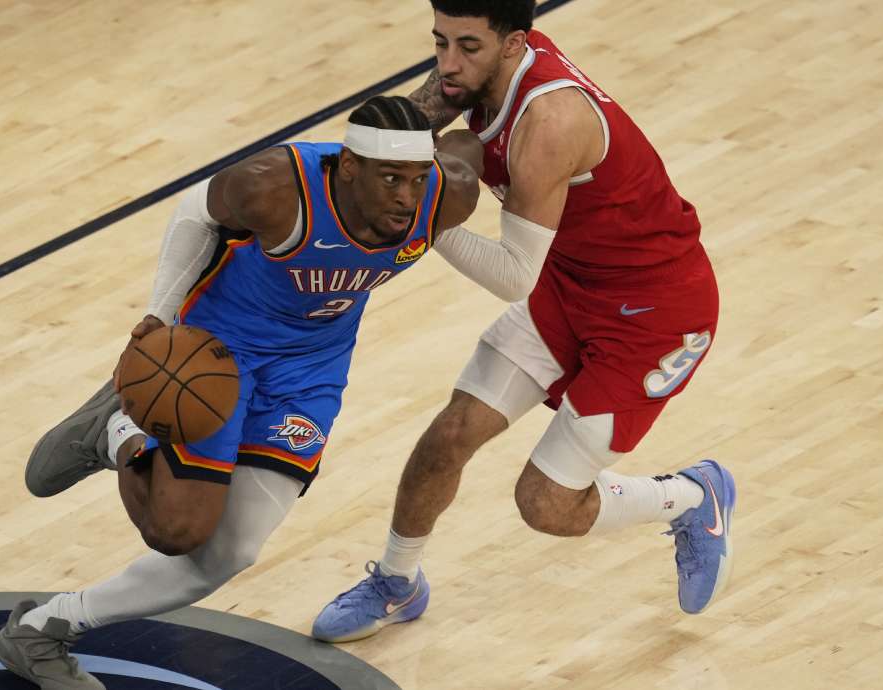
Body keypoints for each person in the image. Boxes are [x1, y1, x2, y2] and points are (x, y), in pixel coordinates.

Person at [0, 95, 483, 689]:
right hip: (219, 353)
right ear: (350, 168)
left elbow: (467, 147)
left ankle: (43, 627)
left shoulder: (445, 195)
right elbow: (193, 211)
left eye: (416, 179)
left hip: (311, 370)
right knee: (175, 533)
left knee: (230, 554)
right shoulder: (273, 187)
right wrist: (157, 320)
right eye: (390, 179)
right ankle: (119, 428)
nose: (407, 198)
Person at [312, 1, 735, 643]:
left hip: (654, 316)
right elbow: (394, 139)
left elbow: (513, 275)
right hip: (573, 285)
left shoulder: (550, 123)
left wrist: (424, 220)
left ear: (514, 44)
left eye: (468, 48)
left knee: (545, 505)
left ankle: (693, 497)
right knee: (449, 434)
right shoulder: (476, 72)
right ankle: (397, 584)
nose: (448, 65)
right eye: (440, 42)